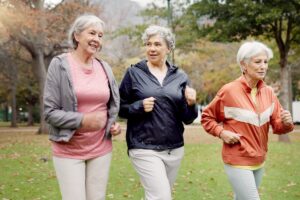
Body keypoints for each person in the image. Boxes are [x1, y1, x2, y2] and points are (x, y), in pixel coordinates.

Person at [201, 41, 294, 200]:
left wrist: (286, 123)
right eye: (257, 62)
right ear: (243, 65)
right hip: (237, 159)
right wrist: (222, 133)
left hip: (259, 160)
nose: (263, 66)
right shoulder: (229, 91)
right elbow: (207, 117)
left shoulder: (269, 93)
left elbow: (278, 127)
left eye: (265, 62)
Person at [43, 14, 121, 200]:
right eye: (92, 33)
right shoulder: (60, 65)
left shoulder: (105, 67)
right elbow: (49, 112)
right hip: (68, 149)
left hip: (101, 148)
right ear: (77, 36)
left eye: (100, 36)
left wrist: (112, 124)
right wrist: (83, 120)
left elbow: (109, 105)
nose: (96, 39)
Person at [119, 25, 198, 200]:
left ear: (168, 48)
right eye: (148, 44)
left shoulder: (180, 76)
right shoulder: (133, 73)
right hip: (143, 146)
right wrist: (138, 106)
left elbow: (188, 118)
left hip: (174, 148)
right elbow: (119, 107)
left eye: (157, 44)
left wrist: (192, 104)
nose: (152, 48)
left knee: (157, 195)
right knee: (161, 197)